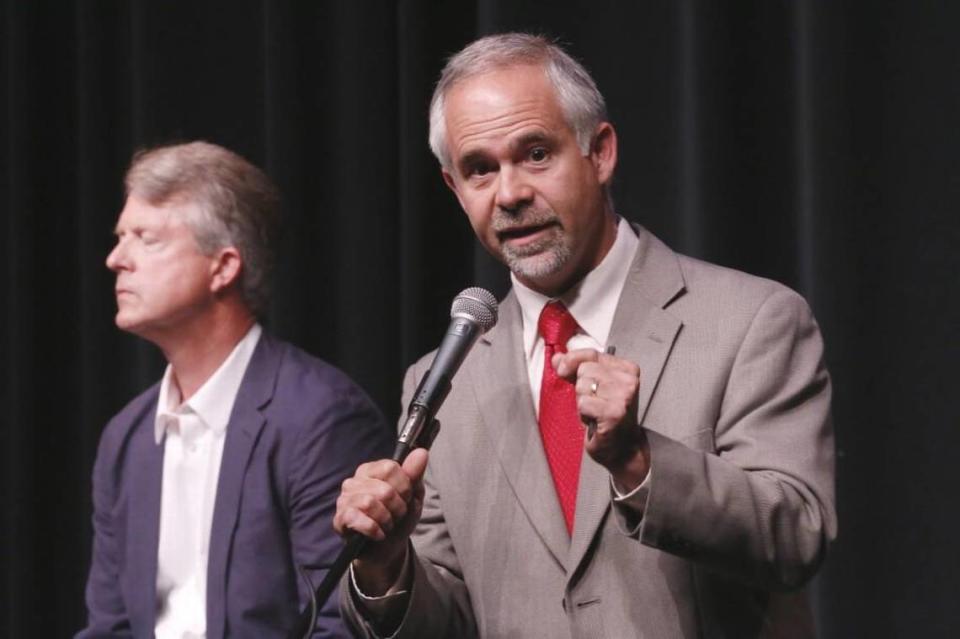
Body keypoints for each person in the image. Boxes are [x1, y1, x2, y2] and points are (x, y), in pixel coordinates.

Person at [334, 33, 836, 638]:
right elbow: (452, 618)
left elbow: (796, 535)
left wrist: (638, 461)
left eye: (536, 154)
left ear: (599, 152)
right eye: (480, 170)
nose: (511, 193)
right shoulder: (442, 377)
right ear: (454, 188)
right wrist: (387, 570)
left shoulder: (753, 318)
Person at [77, 141, 393, 638]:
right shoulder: (126, 439)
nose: (117, 258)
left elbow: (343, 624)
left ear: (223, 266)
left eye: (145, 238)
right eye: (120, 237)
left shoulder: (320, 418)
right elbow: (109, 627)